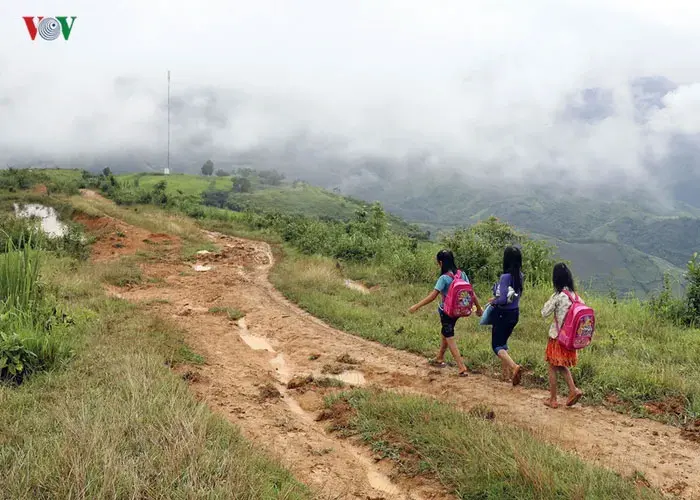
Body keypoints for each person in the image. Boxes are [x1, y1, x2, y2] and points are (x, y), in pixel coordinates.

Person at [409, 249, 483, 377]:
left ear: (441, 263)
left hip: (447, 312)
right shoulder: (462, 274)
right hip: (460, 310)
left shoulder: (443, 278)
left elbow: (433, 296)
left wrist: (416, 306)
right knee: (446, 331)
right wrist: (479, 307)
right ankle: (439, 358)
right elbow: (472, 292)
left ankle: (461, 366)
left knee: (449, 336)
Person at [541, 262, 584, 408]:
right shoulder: (577, 297)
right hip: (571, 339)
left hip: (557, 338)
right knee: (560, 365)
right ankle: (573, 390)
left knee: (552, 366)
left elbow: (544, 313)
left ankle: (553, 399)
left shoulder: (558, 296)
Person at [486, 246, 524, 386]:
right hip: (515, 313)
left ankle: (514, 367)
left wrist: (493, 301)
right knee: (504, 343)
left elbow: (502, 299)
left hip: (503, 314)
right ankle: (505, 375)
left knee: (496, 345)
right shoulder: (520, 276)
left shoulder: (505, 277)